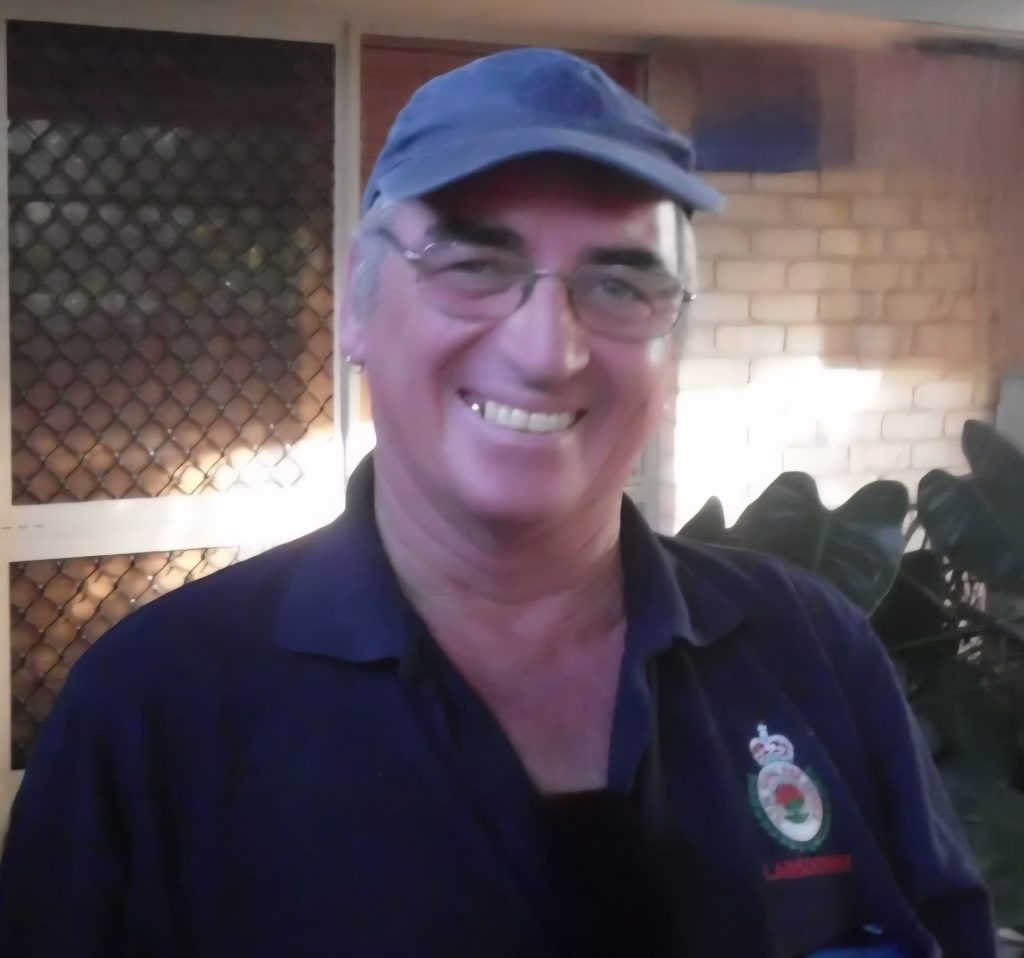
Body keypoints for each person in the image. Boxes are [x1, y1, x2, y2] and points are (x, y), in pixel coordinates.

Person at [0, 48, 996, 958]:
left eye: (620, 285)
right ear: (356, 303)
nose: (547, 350)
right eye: (475, 266)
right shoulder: (158, 707)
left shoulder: (812, 650)